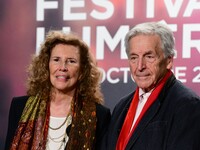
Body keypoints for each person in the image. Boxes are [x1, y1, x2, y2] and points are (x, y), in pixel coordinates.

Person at [5, 30, 111, 150]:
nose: (62, 67)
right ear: (46, 65)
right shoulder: (19, 107)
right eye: (56, 60)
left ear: (82, 71)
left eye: (71, 61)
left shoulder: (100, 115)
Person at [102, 22, 200, 150]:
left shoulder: (187, 105)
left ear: (169, 61)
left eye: (149, 56)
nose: (140, 66)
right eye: (134, 58)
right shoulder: (121, 107)